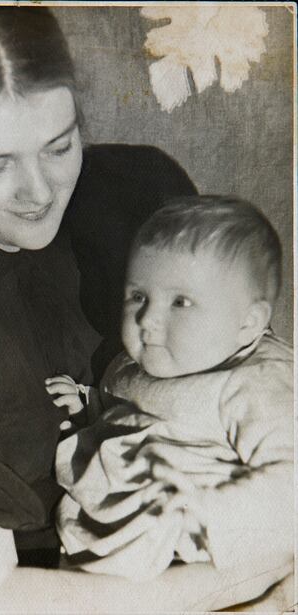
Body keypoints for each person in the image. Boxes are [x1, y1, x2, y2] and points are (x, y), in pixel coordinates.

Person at [0, 6, 291, 612]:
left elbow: (255, 382)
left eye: (60, 144)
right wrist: (246, 585)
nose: (40, 193)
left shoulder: (140, 191)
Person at [48, 197, 293, 581]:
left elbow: (290, 481)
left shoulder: (258, 383)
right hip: (106, 548)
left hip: (200, 559)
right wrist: (88, 404)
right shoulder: (131, 363)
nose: (148, 318)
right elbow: (126, 408)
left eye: (181, 301)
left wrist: (209, 512)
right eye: (138, 296)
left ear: (248, 323)